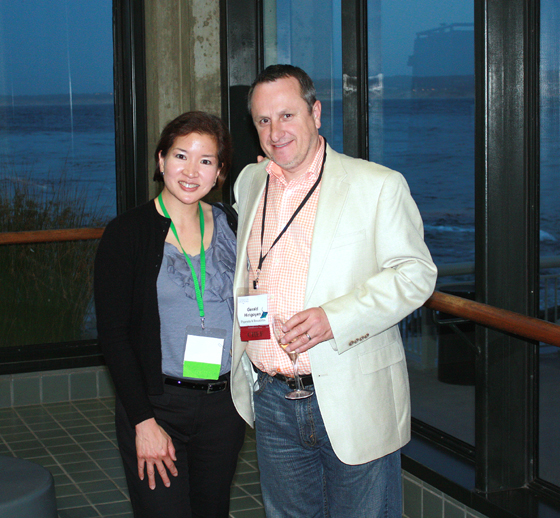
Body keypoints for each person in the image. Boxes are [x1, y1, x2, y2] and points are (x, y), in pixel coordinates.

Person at [230, 65, 438, 517]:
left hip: (351, 396)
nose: (275, 132)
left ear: (316, 112)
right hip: (272, 400)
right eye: (264, 120)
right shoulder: (249, 182)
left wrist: (334, 318)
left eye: (287, 115)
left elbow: (416, 274)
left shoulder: (377, 185)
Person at [94, 111, 253, 518]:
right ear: (161, 159)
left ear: (219, 172)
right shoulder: (127, 233)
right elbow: (114, 336)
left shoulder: (233, 224)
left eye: (206, 160)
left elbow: (255, 299)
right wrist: (142, 421)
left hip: (224, 406)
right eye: (181, 156)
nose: (191, 171)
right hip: (158, 406)